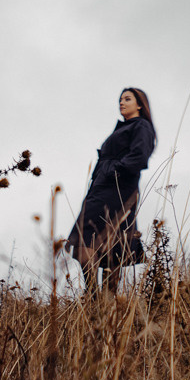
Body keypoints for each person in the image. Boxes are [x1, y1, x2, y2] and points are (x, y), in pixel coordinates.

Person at [69, 87, 157, 293]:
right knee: (86, 240)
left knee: (114, 242)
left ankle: (106, 299)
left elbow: (139, 157)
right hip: (101, 189)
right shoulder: (122, 129)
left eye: (127, 99)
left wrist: (113, 171)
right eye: (120, 100)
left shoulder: (141, 125)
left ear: (139, 104)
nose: (121, 103)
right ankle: (94, 297)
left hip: (118, 190)